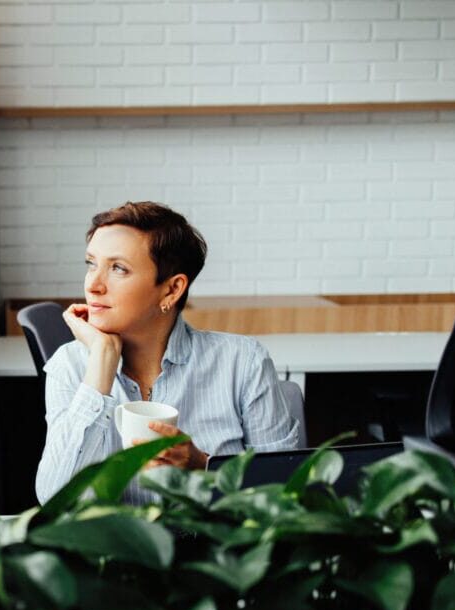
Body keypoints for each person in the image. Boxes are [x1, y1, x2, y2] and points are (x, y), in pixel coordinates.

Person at [35, 201, 300, 505]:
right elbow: (54, 501)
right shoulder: (69, 366)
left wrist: (204, 467)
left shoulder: (243, 362)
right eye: (91, 264)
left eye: (118, 268)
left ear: (172, 290)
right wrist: (101, 363)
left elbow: (285, 492)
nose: (93, 285)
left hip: (217, 549)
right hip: (113, 550)